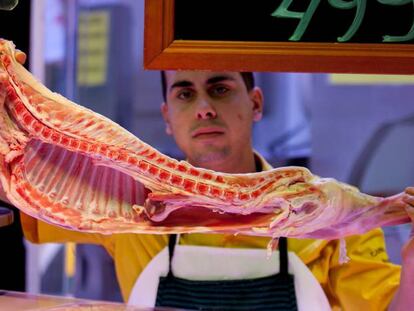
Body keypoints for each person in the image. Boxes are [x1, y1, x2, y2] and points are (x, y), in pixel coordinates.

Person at [2, 53, 414, 309]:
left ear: (254, 103)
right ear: (167, 116)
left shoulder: (329, 216)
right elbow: (17, 200)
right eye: (185, 93)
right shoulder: (131, 203)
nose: (203, 108)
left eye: (219, 88)